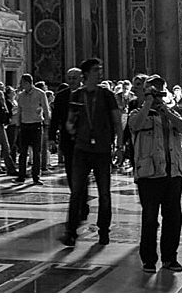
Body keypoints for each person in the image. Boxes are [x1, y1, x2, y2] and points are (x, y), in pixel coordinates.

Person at [129, 75, 182, 273]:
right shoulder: (138, 112)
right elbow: (135, 125)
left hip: (173, 173)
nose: (156, 96)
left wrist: (167, 111)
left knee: (173, 217)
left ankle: (170, 257)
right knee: (149, 218)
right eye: (152, 91)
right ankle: (148, 259)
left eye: (159, 92)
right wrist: (147, 102)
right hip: (149, 174)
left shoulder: (171, 112)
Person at [61, 58, 122, 247]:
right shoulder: (77, 95)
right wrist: (70, 126)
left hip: (102, 149)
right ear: (86, 73)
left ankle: (104, 230)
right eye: (96, 70)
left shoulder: (107, 95)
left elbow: (117, 122)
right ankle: (71, 232)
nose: (100, 73)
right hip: (82, 149)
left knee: (104, 193)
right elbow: (70, 121)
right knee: (76, 192)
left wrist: (119, 147)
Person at [50, 68, 83, 191]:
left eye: (74, 78)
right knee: (69, 168)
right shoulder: (61, 96)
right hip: (67, 138)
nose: (71, 81)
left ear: (81, 78)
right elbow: (55, 118)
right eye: (69, 78)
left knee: (82, 170)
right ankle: (74, 193)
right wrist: (52, 138)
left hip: (83, 137)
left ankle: (80, 197)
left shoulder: (86, 94)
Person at [15, 73, 51, 185]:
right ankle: (21, 175)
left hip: (36, 125)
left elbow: (46, 108)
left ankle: (36, 176)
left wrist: (47, 123)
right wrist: (18, 124)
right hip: (24, 125)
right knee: (23, 152)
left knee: (36, 152)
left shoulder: (40, 94)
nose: (21, 85)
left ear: (28, 83)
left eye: (22, 83)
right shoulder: (20, 95)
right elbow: (19, 110)